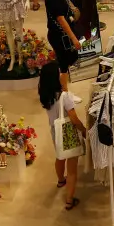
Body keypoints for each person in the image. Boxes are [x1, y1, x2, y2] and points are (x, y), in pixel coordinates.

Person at [39, 61, 87, 211]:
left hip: (55, 131)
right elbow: (73, 118)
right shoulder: (64, 96)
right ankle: (69, 200)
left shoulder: (44, 95)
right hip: (68, 132)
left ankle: (60, 180)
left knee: (60, 156)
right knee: (72, 168)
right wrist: (84, 130)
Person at [43, 0, 82, 88]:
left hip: (61, 34)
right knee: (63, 65)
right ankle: (64, 94)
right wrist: (74, 38)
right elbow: (61, 20)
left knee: (65, 63)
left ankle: (64, 92)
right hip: (59, 36)